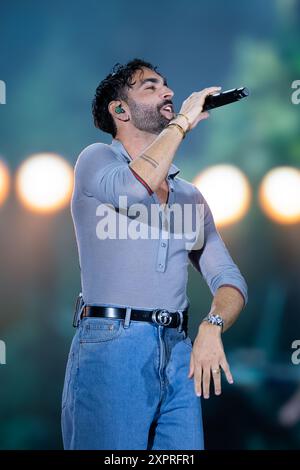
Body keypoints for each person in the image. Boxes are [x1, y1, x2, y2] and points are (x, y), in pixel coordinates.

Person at [61, 58, 248, 450]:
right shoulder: (96, 160)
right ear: (120, 110)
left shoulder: (190, 197)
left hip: (178, 352)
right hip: (113, 345)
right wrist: (182, 123)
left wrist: (212, 325)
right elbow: (133, 187)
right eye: (150, 86)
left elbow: (230, 279)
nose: (168, 92)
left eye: (166, 85)